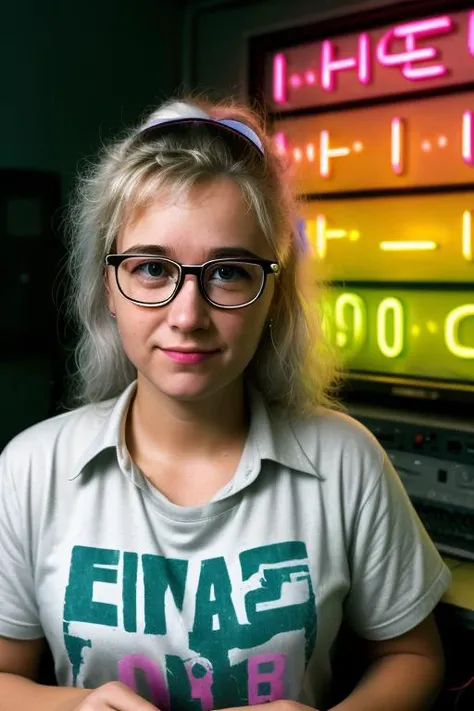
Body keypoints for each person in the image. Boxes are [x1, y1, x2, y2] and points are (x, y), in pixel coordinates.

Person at [0, 95, 451, 711]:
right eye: (152, 269)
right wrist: (74, 707)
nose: (188, 317)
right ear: (110, 286)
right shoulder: (30, 468)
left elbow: (414, 656)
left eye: (229, 273)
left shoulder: (347, 460)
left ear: (274, 296)